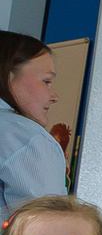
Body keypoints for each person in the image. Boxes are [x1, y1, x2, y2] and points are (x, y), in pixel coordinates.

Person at [0, 34, 65, 220]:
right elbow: (45, 229)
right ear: (8, 76)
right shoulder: (26, 137)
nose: (54, 96)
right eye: (46, 81)